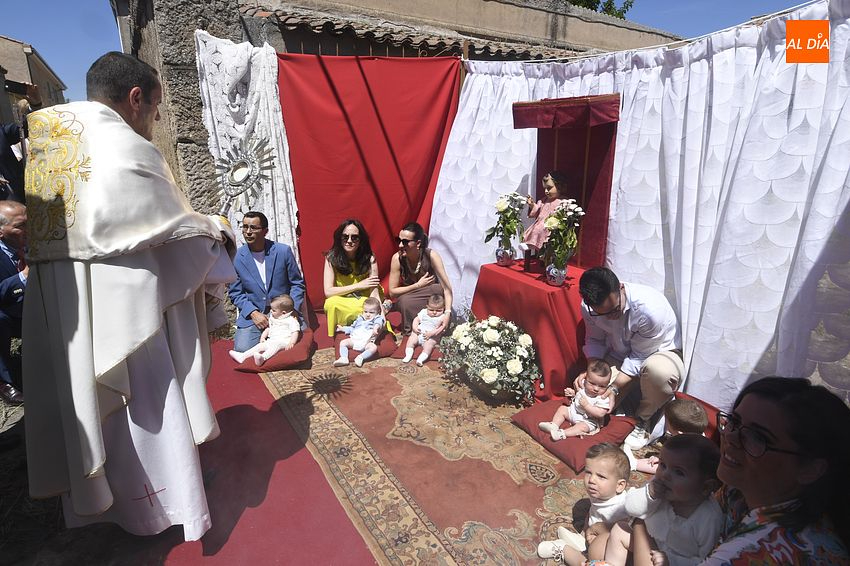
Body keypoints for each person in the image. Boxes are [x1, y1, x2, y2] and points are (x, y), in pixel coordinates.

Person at [23, 52, 236, 542]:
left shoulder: (48, 139)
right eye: (156, 106)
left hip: (67, 307)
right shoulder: (129, 148)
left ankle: (99, 506)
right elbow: (173, 233)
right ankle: (163, 508)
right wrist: (218, 230)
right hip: (129, 312)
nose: (157, 119)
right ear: (135, 98)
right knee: (145, 408)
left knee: (89, 406)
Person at [696, 377, 850, 564]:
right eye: (734, 421)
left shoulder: (760, 551)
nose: (730, 436)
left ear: (810, 470)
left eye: (757, 437)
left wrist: (647, 529)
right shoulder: (739, 492)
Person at [577, 266, 682, 449]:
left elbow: (640, 357)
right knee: (594, 395)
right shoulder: (589, 307)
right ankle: (624, 407)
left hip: (659, 354)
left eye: (615, 309)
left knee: (659, 372)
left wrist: (616, 389)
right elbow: (594, 339)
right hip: (621, 355)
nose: (611, 317)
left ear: (621, 287)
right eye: (602, 313)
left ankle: (643, 419)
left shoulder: (650, 311)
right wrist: (592, 373)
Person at [605, 434, 723, 566]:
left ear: (706, 487)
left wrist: (672, 561)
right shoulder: (659, 489)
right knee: (619, 530)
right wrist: (649, 494)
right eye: (663, 465)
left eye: (679, 472)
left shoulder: (709, 519)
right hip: (648, 543)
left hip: (670, 562)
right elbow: (631, 508)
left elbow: (705, 560)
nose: (665, 475)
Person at [537, 443, 632, 563]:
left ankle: (563, 549)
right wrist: (585, 531)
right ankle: (581, 542)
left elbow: (622, 536)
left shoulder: (622, 509)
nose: (591, 480)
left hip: (613, 551)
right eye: (588, 472)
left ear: (619, 486)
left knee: (592, 560)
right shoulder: (602, 493)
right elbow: (593, 511)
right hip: (595, 538)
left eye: (601, 476)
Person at [228, 210, 305, 351]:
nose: (248, 232)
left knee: (300, 344)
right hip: (255, 314)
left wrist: (291, 310)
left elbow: (297, 284)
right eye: (245, 227)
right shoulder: (237, 257)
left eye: (253, 228)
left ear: (265, 231)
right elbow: (235, 293)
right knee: (242, 348)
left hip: (284, 313)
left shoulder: (283, 251)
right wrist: (253, 313)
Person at [387, 222, 453, 335]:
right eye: (399, 240)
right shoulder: (397, 258)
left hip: (432, 299)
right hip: (410, 298)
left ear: (418, 243)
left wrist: (447, 313)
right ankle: (410, 333)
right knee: (404, 301)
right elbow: (392, 292)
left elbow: (447, 288)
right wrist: (418, 285)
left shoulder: (431, 255)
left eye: (405, 242)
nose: (400, 245)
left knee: (437, 288)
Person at [323, 219, 385, 337]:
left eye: (354, 237)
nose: (349, 241)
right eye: (345, 237)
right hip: (343, 299)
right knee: (331, 304)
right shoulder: (331, 258)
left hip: (364, 301)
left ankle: (374, 316)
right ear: (339, 238)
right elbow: (328, 292)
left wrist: (381, 316)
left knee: (369, 309)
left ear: (361, 240)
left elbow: (374, 294)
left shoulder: (370, 259)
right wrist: (359, 285)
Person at [625, 397, 709, 474]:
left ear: (679, 433)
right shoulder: (692, 436)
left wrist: (663, 461)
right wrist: (659, 457)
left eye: (667, 422)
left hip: (688, 473)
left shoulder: (689, 451)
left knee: (664, 468)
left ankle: (632, 463)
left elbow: (672, 467)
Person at [538, 359, 613, 441]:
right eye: (592, 383)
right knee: (562, 409)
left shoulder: (603, 398)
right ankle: (554, 425)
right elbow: (579, 394)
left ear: (608, 384)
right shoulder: (584, 385)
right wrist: (573, 393)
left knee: (582, 427)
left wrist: (587, 406)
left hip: (588, 420)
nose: (596, 388)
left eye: (602, 386)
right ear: (586, 378)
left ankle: (562, 433)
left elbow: (601, 413)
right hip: (574, 411)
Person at [0, 201, 27, 404]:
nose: (28, 230)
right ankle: (5, 380)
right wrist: (24, 277)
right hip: (11, 314)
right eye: (20, 226)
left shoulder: (36, 241)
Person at [228, 294, 300, 366]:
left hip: (283, 342)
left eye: (274, 310)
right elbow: (269, 328)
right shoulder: (274, 317)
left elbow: (295, 332)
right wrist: (263, 337)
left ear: (283, 313)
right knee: (260, 346)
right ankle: (243, 356)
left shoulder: (291, 320)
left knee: (276, 346)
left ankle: (263, 358)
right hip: (271, 340)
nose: (271, 311)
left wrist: (292, 343)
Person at [521, 171, 567, 252]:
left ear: (559, 186)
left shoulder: (562, 201)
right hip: (540, 222)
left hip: (551, 226)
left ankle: (537, 246)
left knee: (540, 230)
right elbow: (537, 210)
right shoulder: (544, 200)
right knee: (535, 229)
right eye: (545, 188)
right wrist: (532, 204)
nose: (546, 191)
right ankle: (530, 244)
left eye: (549, 188)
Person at [333, 297, 385, 368]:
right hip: (354, 340)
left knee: (373, 348)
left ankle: (360, 357)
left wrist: (375, 328)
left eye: (371, 312)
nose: (368, 314)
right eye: (365, 312)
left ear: (378, 312)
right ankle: (344, 358)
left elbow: (378, 322)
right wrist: (343, 329)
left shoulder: (377, 318)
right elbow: (352, 328)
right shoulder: (359, 319)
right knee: (343, 342)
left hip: (366, 342)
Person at [401, 293, 447, 366]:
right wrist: (415, 328)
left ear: (443, 308)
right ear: (427, 307)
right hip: (419, 333)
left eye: (438, 310)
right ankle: (408, 355)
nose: (434, 312)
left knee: (429, 346)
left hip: (431, 337)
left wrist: (431, 333)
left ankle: (420, 359)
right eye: (431, 310)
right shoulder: (423, 312)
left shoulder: (443, 317)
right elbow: (416, 320)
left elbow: (442, 328)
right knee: (411, 339)